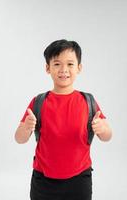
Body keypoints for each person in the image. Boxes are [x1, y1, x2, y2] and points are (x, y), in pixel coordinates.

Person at [15, 39, 112, 200]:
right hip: (43, 181)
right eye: (57, 64)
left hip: (80, 180)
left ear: (79, 68)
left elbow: (107, 136)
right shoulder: (39, 101)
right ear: (48, 68)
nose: (63, 70)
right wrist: (26, 127)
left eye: (70, 64)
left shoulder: (88, 101)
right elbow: (19, 139)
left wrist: (103, 128)